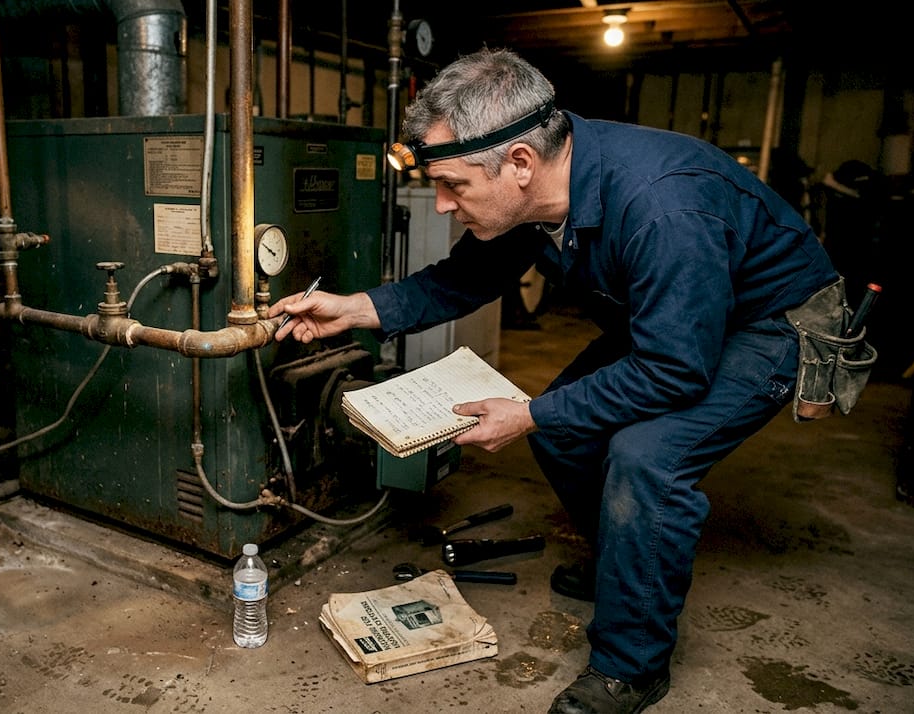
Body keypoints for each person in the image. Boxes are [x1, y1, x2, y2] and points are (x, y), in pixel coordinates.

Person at [270, 47, 843, 714]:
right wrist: (352, 310)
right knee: (565, 434)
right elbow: (465, 279)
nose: (447, 206)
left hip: (767, 322)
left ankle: (632, 667)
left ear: (519, 162)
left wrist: (532, 412)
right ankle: (631, 570)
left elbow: (675, 371)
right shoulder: (539, 194)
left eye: (454, 186)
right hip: (673, 318)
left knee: (646, 458)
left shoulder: (661, 204)